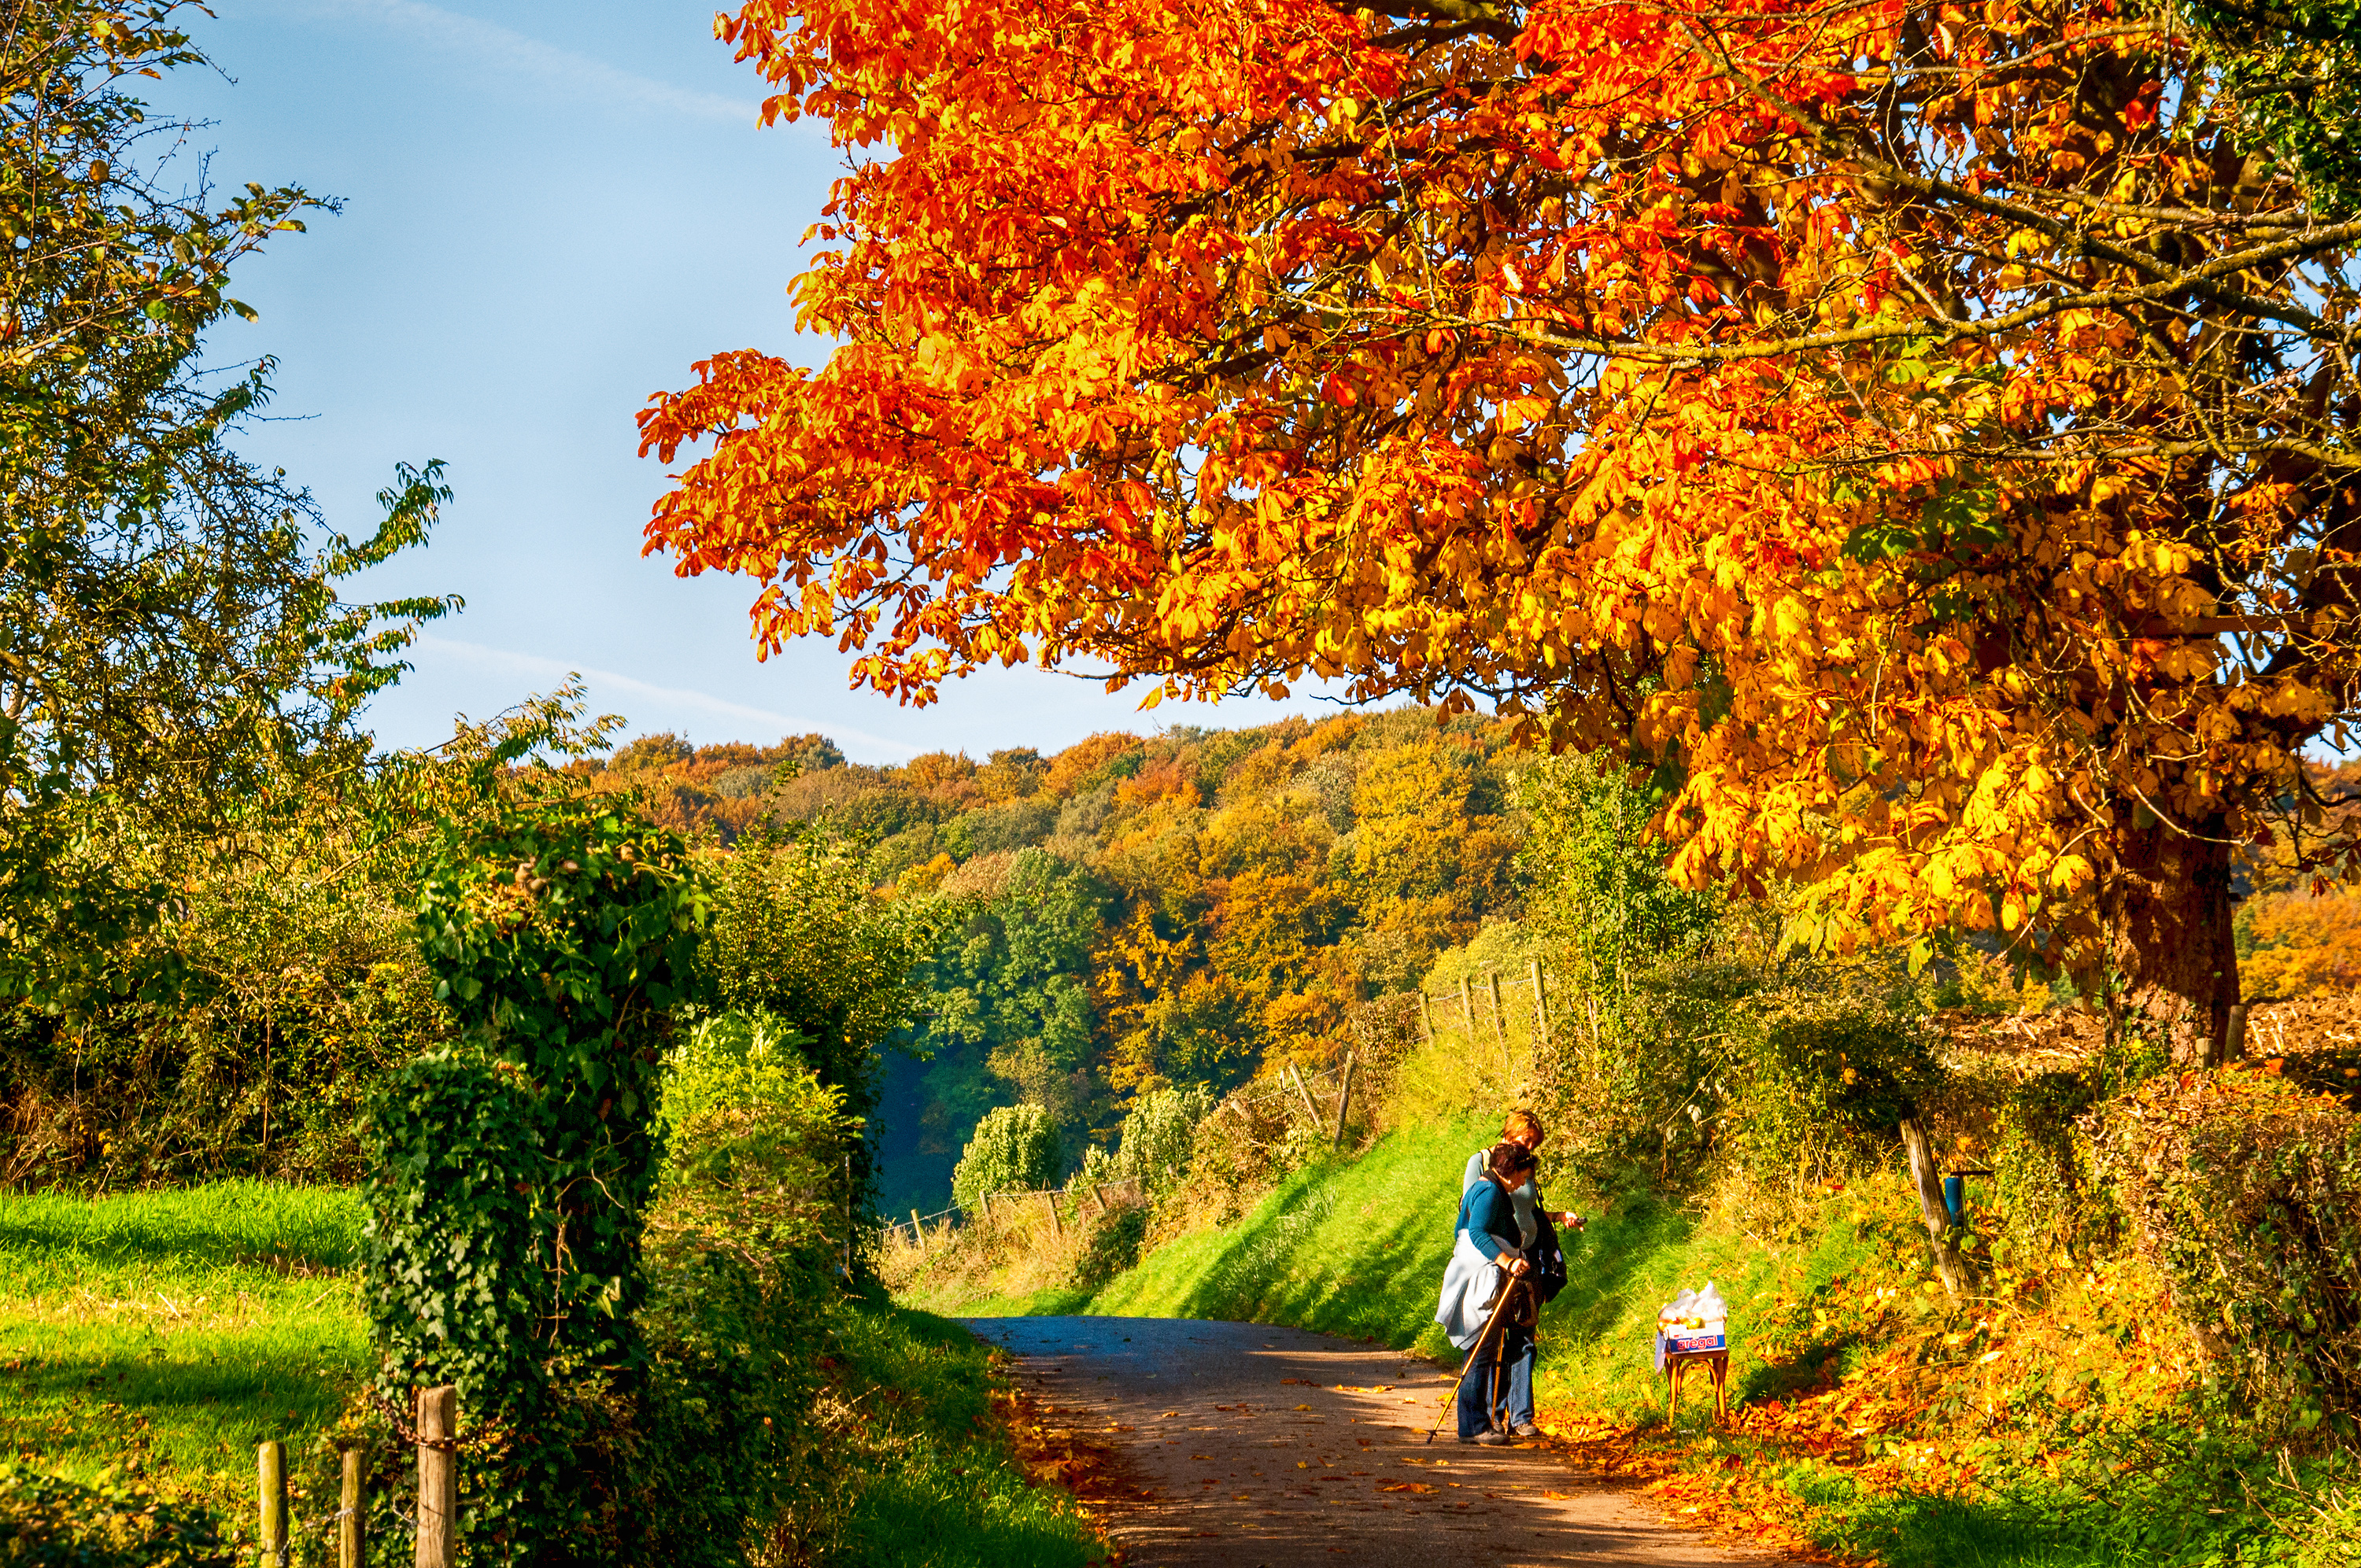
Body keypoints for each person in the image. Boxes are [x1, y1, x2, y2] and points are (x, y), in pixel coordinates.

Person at [1458, 1110, 1583, 1438]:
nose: (1530, 1146)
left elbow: (1530, 1209)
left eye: (1534, 1143)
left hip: (1526, 1257)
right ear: (1511, 1133)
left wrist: (1556, 1216)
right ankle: (1489, 1417)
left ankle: (1522, 1417)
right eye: (1526, 1140)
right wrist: (1501, 1256)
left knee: (1524, 1336)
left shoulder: (1525, 1168)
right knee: (1492, 1338)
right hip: (1498, 1260)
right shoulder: (1484, 1163)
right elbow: (1474, 1215)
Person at [1435, 1141, 1541, 1444]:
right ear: (1510, 1171)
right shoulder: (1489, 1192)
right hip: (1482, 1280)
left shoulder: (1489, 1190)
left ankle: (1477, 1422)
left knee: (1483, 1351)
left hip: (1483, 1276)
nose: (1524, 1182)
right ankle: (1473, 1427)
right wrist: (1506, 1260)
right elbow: (1477, 1232)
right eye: (1523, 1175)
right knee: (1480, 1351)